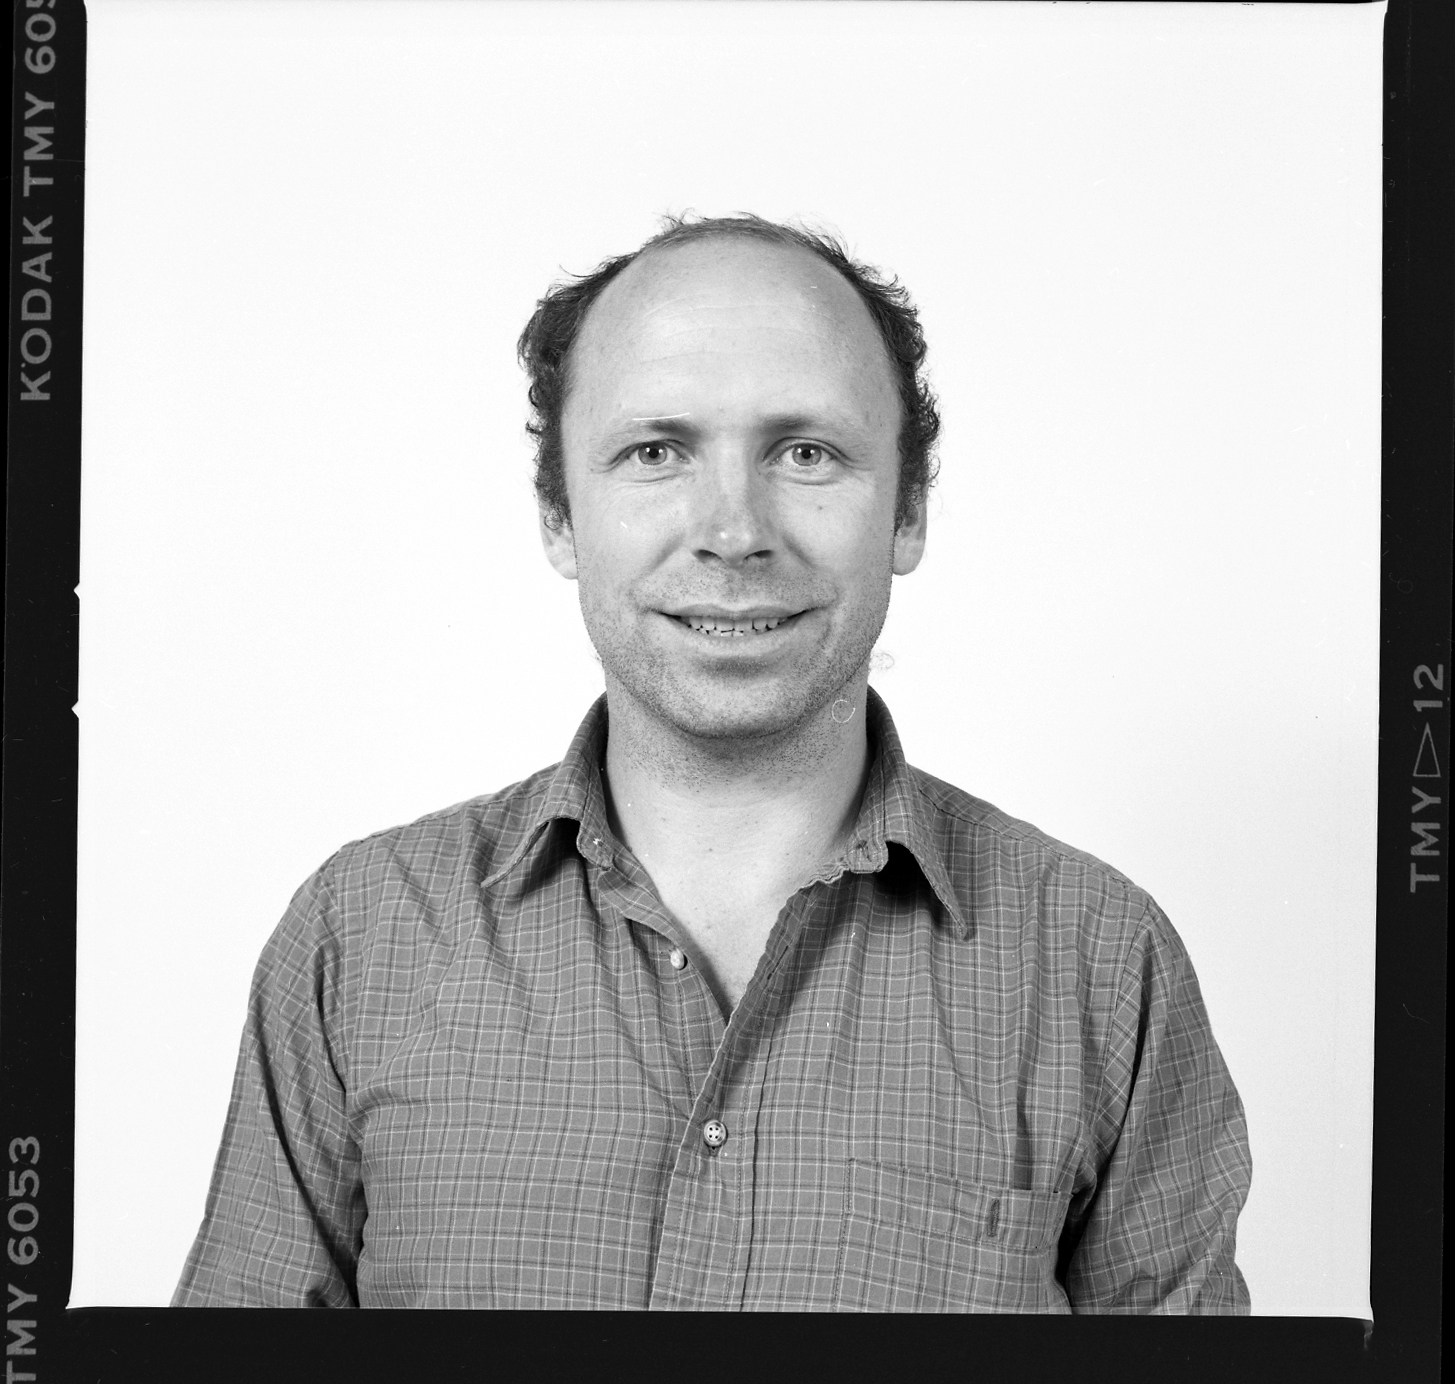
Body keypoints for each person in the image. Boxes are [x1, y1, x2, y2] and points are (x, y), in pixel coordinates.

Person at [174, 214, 1251, 1312]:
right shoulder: (361, 935)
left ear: (909, 511)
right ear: (558, 514)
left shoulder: (1102, 964)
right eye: (656, 451)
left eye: (807, 452)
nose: (733, 531)